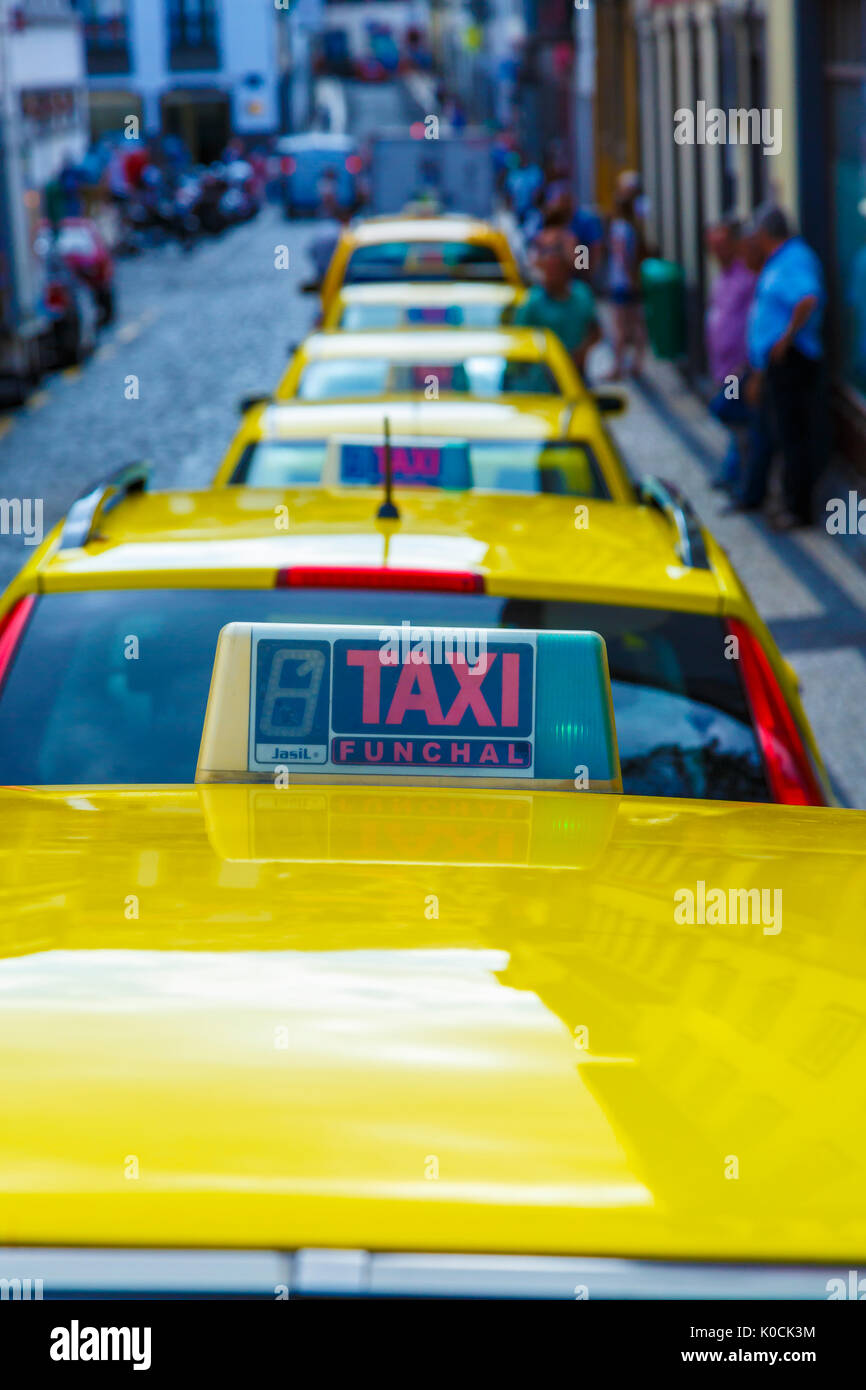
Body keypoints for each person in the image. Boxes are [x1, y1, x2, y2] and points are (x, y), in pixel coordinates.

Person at [744, 204, 825, 529]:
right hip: (778, 363)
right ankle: (776, 497)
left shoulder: (794, 258)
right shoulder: (781, 259)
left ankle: (797, 508)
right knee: (781, 430)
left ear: (764, 234)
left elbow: (808, 298)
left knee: (793, 435)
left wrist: (785, 339)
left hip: (792, 361)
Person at [704, 217, 761, 493]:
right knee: (735, 425)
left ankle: (742, 480)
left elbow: (755, 322)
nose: (716, 251)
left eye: (722, 245)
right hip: (722, 366)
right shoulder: (722, 277)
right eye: (712, 246)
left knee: (732, 416)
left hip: (740, 368)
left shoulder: (747, 276)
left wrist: (747, 365)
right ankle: (733, 473)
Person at [514, 226, 601, 381]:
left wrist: (581, 353)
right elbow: (518, 344)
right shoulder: (532, 301)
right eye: (547, 269)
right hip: (539, 382)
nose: (549, 275)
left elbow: (595, 330)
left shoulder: (582, 295)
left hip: (575, 377)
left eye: (555, 269)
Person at [604, 187, 647, 378]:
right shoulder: (629, 227)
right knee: (635, 323)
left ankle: (619, 366)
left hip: (622, 282)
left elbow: (622, 255)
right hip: (625, 281)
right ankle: (636, 363)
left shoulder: (620, 227)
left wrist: (630, 278)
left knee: (621, 327)